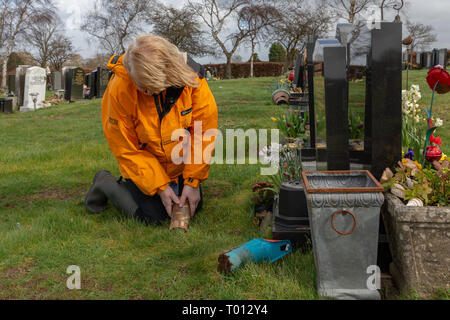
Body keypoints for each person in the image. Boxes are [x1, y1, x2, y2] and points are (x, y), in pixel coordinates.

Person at [84, 34, 218, 225]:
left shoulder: (192, 78)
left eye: (154, 88)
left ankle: (180, 185)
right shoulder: (119, 89)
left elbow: (204, 132)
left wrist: (192, 182)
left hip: (178, 161)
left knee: (194, 205)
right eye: (143, 88)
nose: (149, 93)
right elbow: (126, 149)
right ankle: (105, 182)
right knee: (152, 217)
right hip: (146, 163)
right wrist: (161, 187)